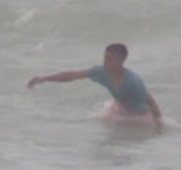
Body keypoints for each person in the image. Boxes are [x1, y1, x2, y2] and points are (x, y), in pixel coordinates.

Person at [27, 43, 164, 128]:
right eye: (105, 58)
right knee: (96, 124)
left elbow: (151, 102)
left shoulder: (132, 81)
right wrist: (44, 78)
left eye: (109, 59)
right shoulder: (101, 72)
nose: (105, 62)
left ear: (120, 61)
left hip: (139, 117)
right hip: (119, 109)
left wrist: (159, 125)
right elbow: (73, 75)